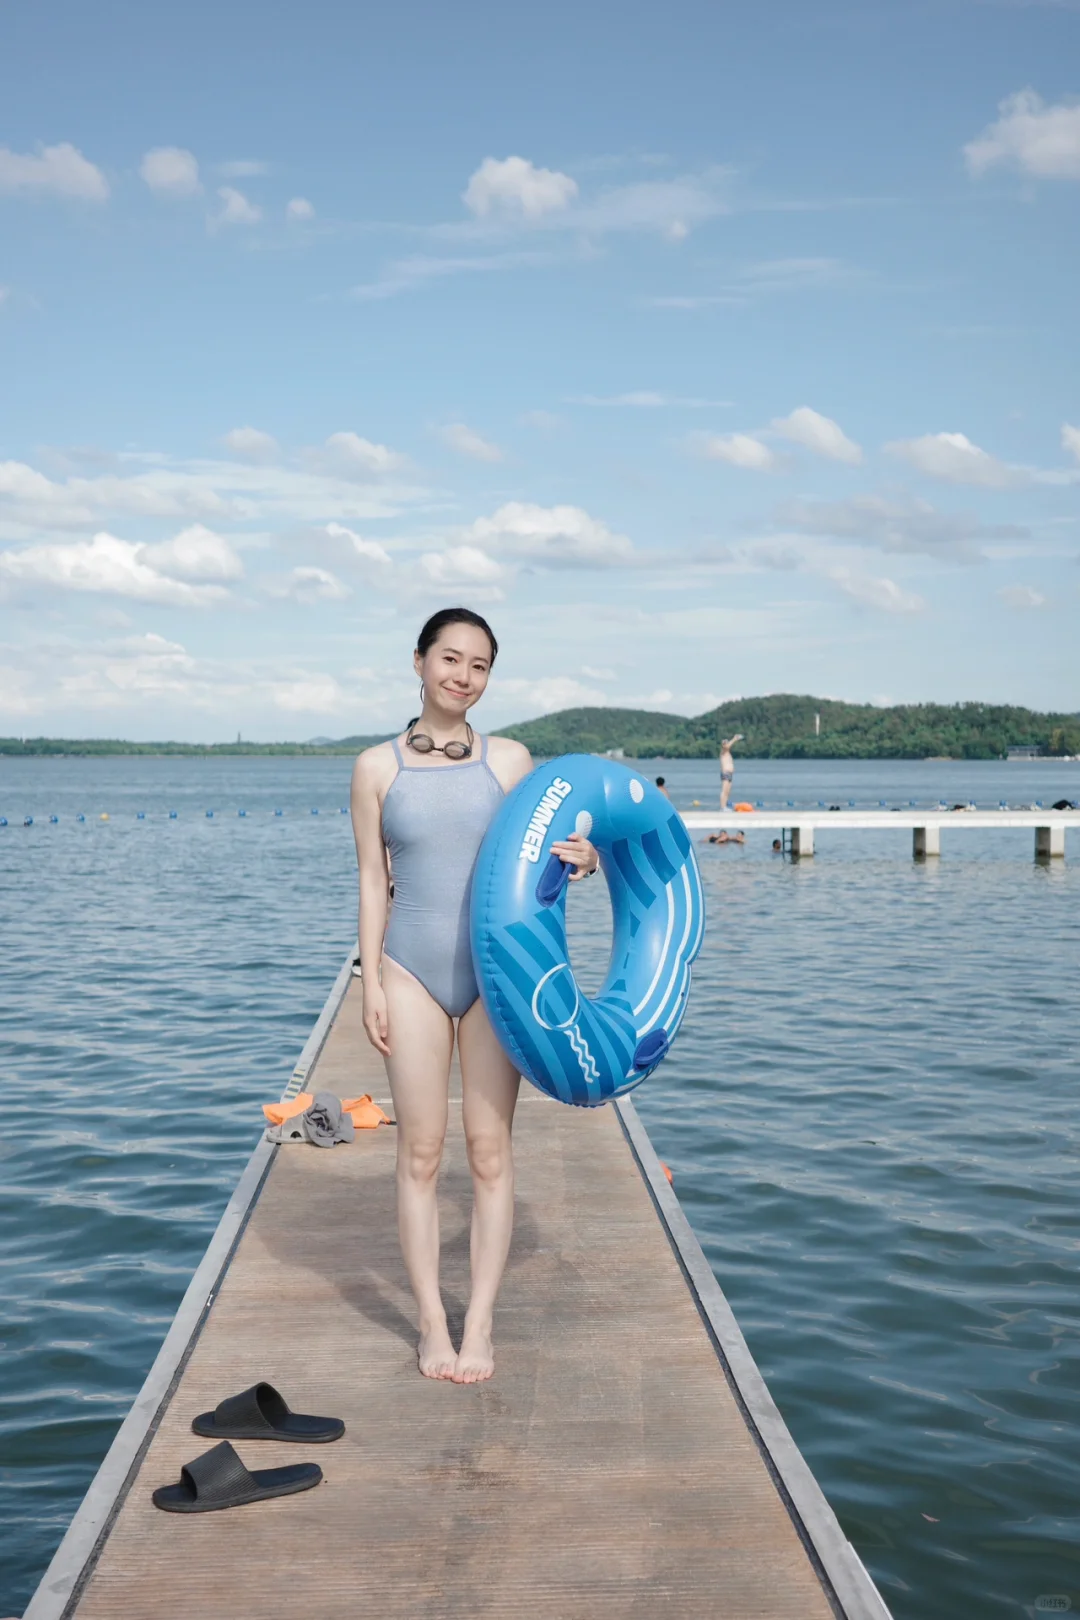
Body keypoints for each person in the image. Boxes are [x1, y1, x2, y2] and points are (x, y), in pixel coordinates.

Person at [350, 607, 598, 1386]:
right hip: (412, 972)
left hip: (499, 980)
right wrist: (371, 984)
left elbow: (545, 863)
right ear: (419, 661)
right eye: (449, 658)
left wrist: (583, 858)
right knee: (420, 1153)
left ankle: (480, 1322)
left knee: (491, 1153)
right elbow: (369, 879)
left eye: (479, 665)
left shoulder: (513, 760)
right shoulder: (375, 769)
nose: (462, 676)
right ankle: (431, 1319)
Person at [719, 733, 743, 811]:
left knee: (728, 791)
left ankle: (725, 806)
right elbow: (727, 746)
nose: (727, 744)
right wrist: (734, 739)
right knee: (724, 790)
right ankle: (722, 807)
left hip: (729, 774)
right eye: (725, 743)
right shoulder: (723, 751)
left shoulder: (727, 753)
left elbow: (728, 746)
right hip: (725, 773)